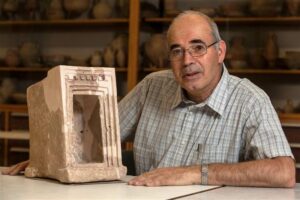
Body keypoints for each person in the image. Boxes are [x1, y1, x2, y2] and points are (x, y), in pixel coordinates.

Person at [2, 10, 295, 188]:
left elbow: (283, 173)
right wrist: (55, 160)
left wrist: (195, 174)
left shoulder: (250, 100)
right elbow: (98, 137)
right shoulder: (153, 86)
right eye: (177, 51)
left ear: (220, 52)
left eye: (198, 47)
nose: (187, 60)